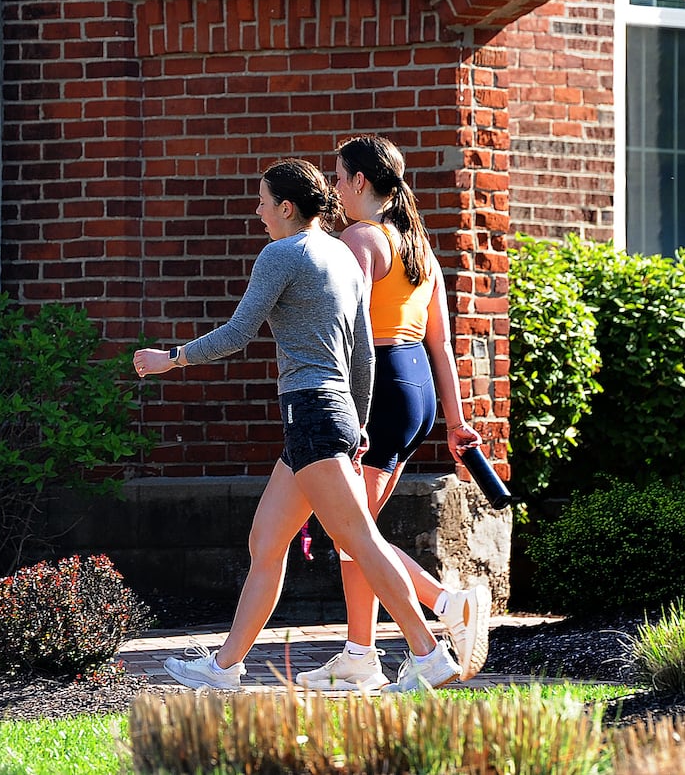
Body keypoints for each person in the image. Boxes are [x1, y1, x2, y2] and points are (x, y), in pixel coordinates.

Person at [134, 158, 461, 693]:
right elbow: (362, 355)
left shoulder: (281, 254)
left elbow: (238, 333)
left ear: (287, 207)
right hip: (324, 417)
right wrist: (357, 423)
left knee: (359, 540)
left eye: (263, 201)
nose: (258, 211)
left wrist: (171, 358)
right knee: (267, 539)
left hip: (310, 414)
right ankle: (225, 668)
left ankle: (428, 654)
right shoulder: (342, 254)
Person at [295, 135, 492, 693]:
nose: (333, 188)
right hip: (416, 391)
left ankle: (448, 603)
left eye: (338, 177)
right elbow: (441, 345)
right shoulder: (419, 247)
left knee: (353, 530)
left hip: (376, 386)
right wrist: (454, 421)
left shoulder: (360, 238)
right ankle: (360, 655)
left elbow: (344, 329)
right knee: (357, 531)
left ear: (361, 182)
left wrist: (346, 411)